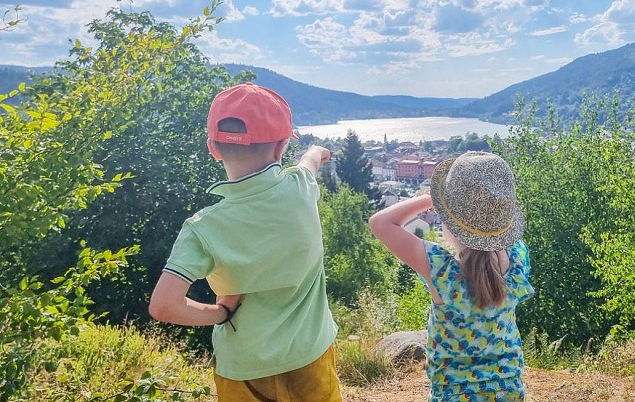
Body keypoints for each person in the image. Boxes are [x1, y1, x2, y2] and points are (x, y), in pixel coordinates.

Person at [149, 82, 342, 402]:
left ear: (213, 147)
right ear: (281, 149)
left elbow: (163, 305)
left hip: (245, 368)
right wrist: (316, 151)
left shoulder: (203, 228)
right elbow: (310, 161)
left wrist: (220, 313)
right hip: (311, 354)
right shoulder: (300, 189)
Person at [369, 151, 534, 402]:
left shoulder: (440, 270)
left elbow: (380, 223)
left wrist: (430, 198)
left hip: (453, 394)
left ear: (449, 222)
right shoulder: (517, 259)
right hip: (508, 391)